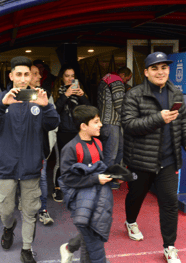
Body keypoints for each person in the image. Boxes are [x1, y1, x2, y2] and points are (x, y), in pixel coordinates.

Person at [0, 56, 60, 263]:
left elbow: (53, 124)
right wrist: (0, 105)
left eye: (27, 75)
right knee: (4, 209)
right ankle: (8, 227)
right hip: (6, 166)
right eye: (19, 74)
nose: (23, 79)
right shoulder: (0, 99)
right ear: (11, 76)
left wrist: (46, 106)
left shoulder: (39, 99)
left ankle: (26, 248)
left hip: (31, 167)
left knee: (30, 211)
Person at [121, 52, 186, 263]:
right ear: (146, 72)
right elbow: (128, 125)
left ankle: (169, 247)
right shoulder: (134, 94)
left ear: (168, 70)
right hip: (140, 160)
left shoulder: (176, 93)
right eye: (155, 68)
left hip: (168, 160)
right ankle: (130, 221)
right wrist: (158, 118)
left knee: (170, 203)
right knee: (135, 196)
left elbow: (183, 123)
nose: (160, 72)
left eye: (163, 67)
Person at [58, 105, 113, 263]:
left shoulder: (98, 143)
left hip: (97, 198)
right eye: (96, 122)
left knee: (91, 236)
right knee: (94, 242)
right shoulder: (71, 148)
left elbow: (100, 169)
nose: (101, 124)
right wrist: (96, 179)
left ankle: (68, 248)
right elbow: (68, 178)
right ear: (83, 126)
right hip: (80, 202)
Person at [51, 64, 90, 202]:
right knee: (62, 162)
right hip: (63, 131)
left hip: (78, 131)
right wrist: (65, 95)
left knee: (79, 160)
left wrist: (83, 96)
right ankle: (58, 188)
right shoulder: (56, 91)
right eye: (67, 76)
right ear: (62, 78)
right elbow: (54, 110)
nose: (70, 79)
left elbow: (88, 110)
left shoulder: (79, 91)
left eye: (72, 76)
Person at [29, 64, 58, 225]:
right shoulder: (17, 95)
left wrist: (50, 145)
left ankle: (43, 210)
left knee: (42, 178)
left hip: (40, 147)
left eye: (39, 74)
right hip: (23, 148)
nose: (40, 77)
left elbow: (54, 122)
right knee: (24, 178)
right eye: (35, 74)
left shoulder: (45, 95)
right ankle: (26, 204)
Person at [96, 67, 132, 190]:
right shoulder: (116, 82)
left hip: (107, 123)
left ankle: (111, 175)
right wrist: (130, 119)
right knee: (110, 154)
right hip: (111, 123)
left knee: (120, 149)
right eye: (127, 79)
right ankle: (106, 181)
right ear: (122, 74)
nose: (126, 82)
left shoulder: (106, 79)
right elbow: (120, 104)